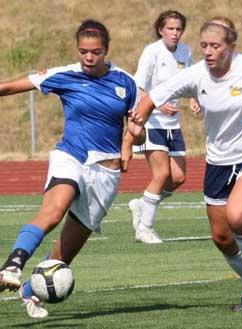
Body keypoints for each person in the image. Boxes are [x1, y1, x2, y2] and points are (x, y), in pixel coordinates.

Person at [128, 15, 242, 310]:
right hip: (219, 161)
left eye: (215, 46)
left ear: (231, 46)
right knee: (221, 237)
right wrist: (138, 120)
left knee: (236, 215)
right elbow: (155, 96)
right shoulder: (196, 74)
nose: (208, 51)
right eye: (204, 45)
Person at [0, 19, 140, 318]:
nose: (88, 58)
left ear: (106, 50)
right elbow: (11, 87)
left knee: (65, 255)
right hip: (71, 156)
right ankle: (13, 264)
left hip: (106, 174)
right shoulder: (64, 75)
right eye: (83, 51)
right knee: (54, 210)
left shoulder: (125, 82)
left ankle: (28, 292)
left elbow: (137, 125)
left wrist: (132, 140)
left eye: (96, 52)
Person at [125, 10, 201, 244]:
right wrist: (158, 106)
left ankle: (142, 204)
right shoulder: (152, 52)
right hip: (153, 122)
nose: (175, 33)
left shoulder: (186, 52)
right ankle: (144, 228)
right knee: (162, 174)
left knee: (178, 178)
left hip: (173, 126)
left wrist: (193, 98)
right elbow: (138, 87)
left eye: (178, 29)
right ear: (161, 30)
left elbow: (192, 80)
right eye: (170, 28)